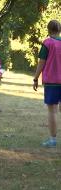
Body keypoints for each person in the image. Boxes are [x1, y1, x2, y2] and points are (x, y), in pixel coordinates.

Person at [33, 20, 61, 148]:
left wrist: (35, 78)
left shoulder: (47, 43)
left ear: (49, 30)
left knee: (53, 111)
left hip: (52, 82)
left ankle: (52, 140)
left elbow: (41, 62)